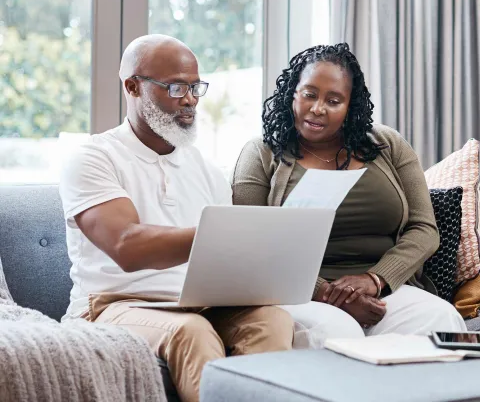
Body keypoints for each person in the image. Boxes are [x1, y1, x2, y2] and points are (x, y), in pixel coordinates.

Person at [59, 35, 294, 402]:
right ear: (133, 86)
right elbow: (127, 245)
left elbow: (225, 261)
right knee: (191, 332)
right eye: (175, 87)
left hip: (197, 301)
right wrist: (217, 234)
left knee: (272, 319)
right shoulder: (93, 157)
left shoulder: (206, 169)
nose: (189, 100)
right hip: (115, 305)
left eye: (195, 87)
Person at [232, 42, 466, 348]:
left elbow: (424, 229)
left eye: (334, 100)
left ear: (349, 106)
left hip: (384, 289)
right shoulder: (261, 153)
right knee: (336, 334)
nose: (318, 108)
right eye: (310, 94)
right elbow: (253, 242)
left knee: (441, 319)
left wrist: (374, 280)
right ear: (293, 93)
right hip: (299, 293)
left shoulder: (387, 144)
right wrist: (329, 294)